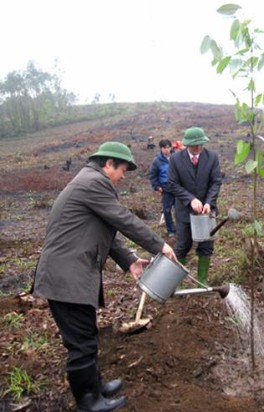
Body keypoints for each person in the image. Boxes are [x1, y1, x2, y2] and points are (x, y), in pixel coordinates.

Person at [32, 141, 176, 412]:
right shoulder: (94, 182)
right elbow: (122, 218)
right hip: (66, 276)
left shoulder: (87, 181)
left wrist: (130, 261)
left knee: (87, 333)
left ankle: (95, 385)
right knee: (81, 341)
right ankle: (88, 401)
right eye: (122, 170)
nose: (123, 177)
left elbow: (105, 230)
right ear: (108, 164)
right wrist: (160, 245)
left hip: (69, 274)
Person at [167, 127, 222, 284]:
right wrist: (190, 199)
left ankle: (202, 281)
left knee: (206, 246)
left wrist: (209, 202)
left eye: (200, 145)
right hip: (185, 211)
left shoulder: (212, 157)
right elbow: (172, 184)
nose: (198, 149)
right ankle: (178, 282)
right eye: (194, 146)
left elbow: (216, 181)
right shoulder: (176, 159)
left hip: (206, 212)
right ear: (186, 145)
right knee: (183, 246)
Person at [149, 139, 176, 237]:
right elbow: (153, 175)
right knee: (167, 210)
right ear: (161, 148)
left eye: (169, 147)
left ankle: (181, 228)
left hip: (177, 187)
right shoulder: (157, 161)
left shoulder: (176, 157)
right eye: (165, 148)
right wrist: (157, 187)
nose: (168, 150)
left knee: (179, 209)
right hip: (166, 188)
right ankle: (171, 230)